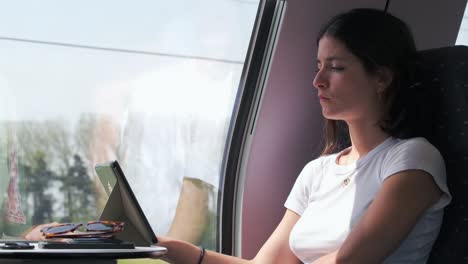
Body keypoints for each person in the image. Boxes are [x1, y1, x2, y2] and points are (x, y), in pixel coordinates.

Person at [24, 8, 451, 264]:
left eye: (336, 67)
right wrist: (166, 247)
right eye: (318, 65)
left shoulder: (412, 161)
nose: (317, 80)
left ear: (381, 78)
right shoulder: (319, 172)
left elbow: (350, 261)